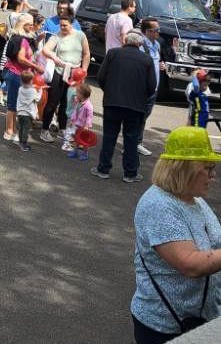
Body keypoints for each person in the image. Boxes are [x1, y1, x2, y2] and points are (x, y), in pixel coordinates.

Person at [131, 126, 221, 343]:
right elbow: (191, 264)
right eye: (208, 168)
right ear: (185, 169)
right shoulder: (158, 206)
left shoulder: (193, 198)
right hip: (164, 327)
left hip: (200, 317)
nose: (213, 175)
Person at [91, 30, 156, 183]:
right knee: (131, 139)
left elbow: (101, 77)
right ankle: (130, 173)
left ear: (125, 41)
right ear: (139, 44)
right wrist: (142, 98)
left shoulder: (113, 54)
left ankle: (103, 169)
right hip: (136, 106)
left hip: (112, 102)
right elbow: (152, 86)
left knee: (109, 137)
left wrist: (109, 91)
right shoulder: (147, 60)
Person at [40, 15, 90, 142]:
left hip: (75, 73)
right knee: (52, 102)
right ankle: (44, 130)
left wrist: (84, 71)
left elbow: (86, 54)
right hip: (59, 72)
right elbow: (45, 49)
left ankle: (63, 129)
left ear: (72, 24)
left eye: (65, 25)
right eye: (61, 25)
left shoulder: (80, 35)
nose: (62, 27)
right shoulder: (57, 35)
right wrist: (55, 57)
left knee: (68, 103)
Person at [2, 13, 44, 143]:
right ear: (23, 24)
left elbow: (27, 52)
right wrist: (35, 66)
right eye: (30, 24)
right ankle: (9, 131)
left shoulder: (20, 37)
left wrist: (37, 41)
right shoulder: (21, 39)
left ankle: (13, 129)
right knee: (13, 104)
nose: (32, 26)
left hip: (15, 73)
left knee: (16, 103)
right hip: (15, 73)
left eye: (33, 24)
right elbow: (21, 58)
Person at [138, 18, 168, 157]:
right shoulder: (140, 44)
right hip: (143, 89)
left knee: (144, 117)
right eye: (157, 30)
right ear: (148, 31)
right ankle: (134, 143)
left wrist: (162, 66)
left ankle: (136, 142)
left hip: (153, 88)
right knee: (138, 117)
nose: (159, 32)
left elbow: (157, 62)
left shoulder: (156, 44)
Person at [63, 83, 94, 161]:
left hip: (84, 126)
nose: (76, 94)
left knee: (84, 141)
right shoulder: (78, 102)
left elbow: (89, 116)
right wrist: (72, 120)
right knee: (76, 138)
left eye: (77, 92)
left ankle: (85, 153)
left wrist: (87, 126)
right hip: (77, 124)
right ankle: (75, 151)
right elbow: (75, 111)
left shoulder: (88, 105)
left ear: (82, 95)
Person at [16, 70, 40, 152]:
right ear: (31, 81)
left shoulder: (20, 89)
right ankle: (24, 144)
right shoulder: (33, 91)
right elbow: (37, 99)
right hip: (27, 113)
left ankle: (20, 142)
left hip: (20, 112)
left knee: (21, 128)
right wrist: (40, 90)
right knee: (26, 129)